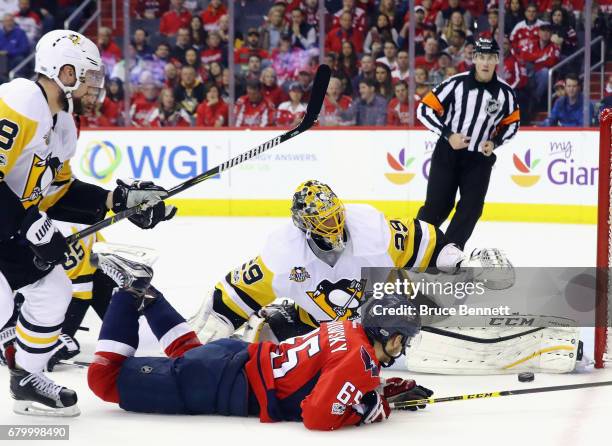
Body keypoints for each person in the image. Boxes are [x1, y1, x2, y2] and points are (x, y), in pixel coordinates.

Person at [0, 30, 177, 417]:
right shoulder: (19, 100)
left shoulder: (61, 124)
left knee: (52, 292)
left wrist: (119, 201)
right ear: (65, 73)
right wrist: (30, 223)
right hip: (7, 227)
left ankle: (26, 378)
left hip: (6, 231)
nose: (97, 88)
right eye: (91, 77)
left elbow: (58, 192)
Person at [87, 250, 432, 429]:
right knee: (104, 380)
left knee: (189, 356)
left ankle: (149, 294)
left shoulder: (349, 330)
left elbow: (331, 374)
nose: (402, 346)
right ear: (388, 334)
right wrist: (370, 412)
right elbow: (317, 416)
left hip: (234, 357)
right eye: (402, 338)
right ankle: (131, 290)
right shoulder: (359, 361)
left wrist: (379, 390)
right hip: (225, 382)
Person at [190, 179, 477, 343]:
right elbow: (239, 290)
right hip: (321, 327)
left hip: (384, 317)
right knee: (264, 341)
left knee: (419, 327)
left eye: (335, 215)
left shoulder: (372, 232)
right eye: (324, 221)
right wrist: (220, 317)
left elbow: (421, 239)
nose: (335, 225)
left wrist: (454, 259)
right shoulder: (284, 254)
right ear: (304, 225)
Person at [416, 37, 520, 249]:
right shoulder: (456, 83)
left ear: (497, 60)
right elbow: (424, 109)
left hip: (479, 160)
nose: (485, 62)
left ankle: (448, 254)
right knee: (437, 207)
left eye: (490, 57)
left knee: (472, 209)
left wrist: (495, 142)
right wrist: (448, 134)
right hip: (448, 153)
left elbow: (513, 123)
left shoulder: (505, 93)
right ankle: (415, 248)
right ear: (474, 58)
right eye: (481, 57)